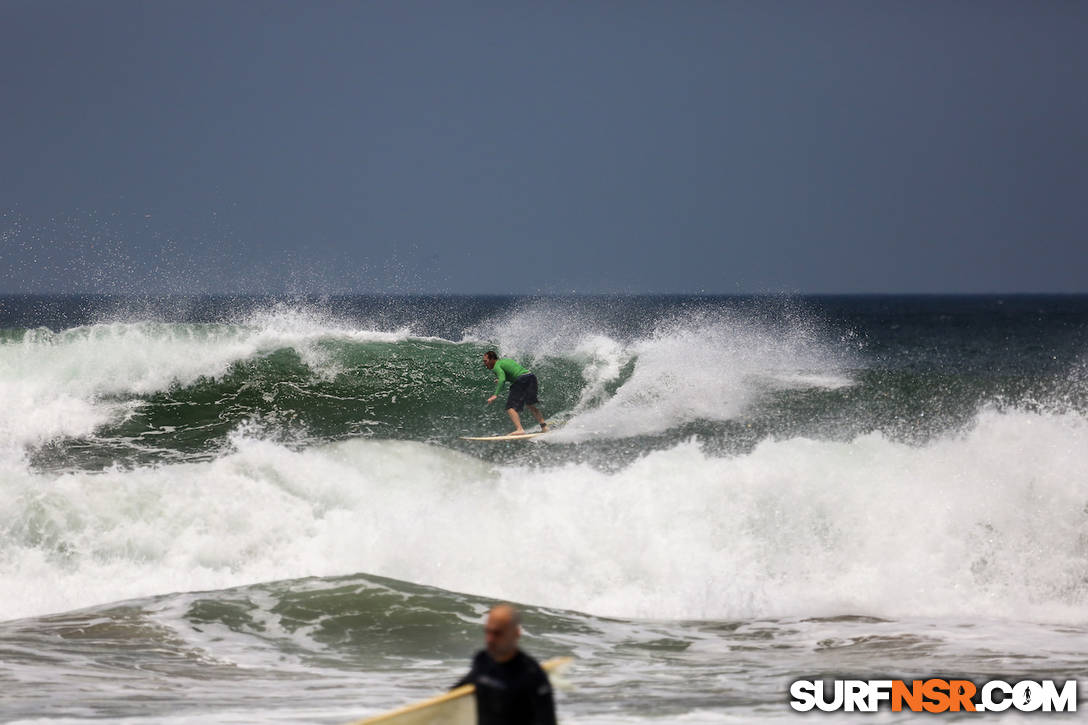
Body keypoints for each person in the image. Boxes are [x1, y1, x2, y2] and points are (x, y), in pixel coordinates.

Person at [454, 604, 557, 725]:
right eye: (488, 632)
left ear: (516, 634)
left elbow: (548, 721)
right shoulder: (482, 660)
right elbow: (458, 692)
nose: (490, 639)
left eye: (497, 633)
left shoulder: (532, 675)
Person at [482, 351, 547, 435]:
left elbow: (502, 379)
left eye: (486, 361)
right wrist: (504, 379)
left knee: (510, 407)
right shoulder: (505, 361)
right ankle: (544, 427)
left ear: (492, 359)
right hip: (531, 377)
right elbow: (514, 372)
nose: (485, 364)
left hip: (522, 379)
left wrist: (495, 395)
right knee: (530, 405)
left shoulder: (496, 366)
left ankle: (519, 429)